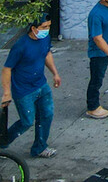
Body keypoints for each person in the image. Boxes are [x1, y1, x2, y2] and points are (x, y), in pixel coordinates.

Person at [1, 16, 62, 159]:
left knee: (46, 115)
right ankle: (2, 144)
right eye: (44, 27)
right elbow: (7, 69)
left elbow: (46, 53)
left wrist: (55, 73)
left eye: (48, 26)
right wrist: (7, 92)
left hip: (41, 84)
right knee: (26, 121)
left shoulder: (44, 39)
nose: (47, 30)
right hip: (23, 91)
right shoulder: (21, 45)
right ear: (34, 28)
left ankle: (39, 148)